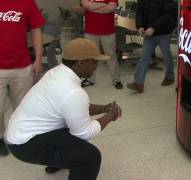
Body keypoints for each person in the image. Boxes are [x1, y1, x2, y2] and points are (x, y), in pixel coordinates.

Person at [5, 38, 122, 180]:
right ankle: (57, 157)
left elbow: (75, 108)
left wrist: (104, 108)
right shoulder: (73, 91)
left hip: (18, 133)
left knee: (70, 125)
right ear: (81, 62)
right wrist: (110, 115)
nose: (97, 66)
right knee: (90, 157)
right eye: (95, 61)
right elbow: (85, 133)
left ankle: (59, 160)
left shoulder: (57, 72)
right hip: (24, 144)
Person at [0, 0, 45, 155]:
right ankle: (0, 137)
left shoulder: (27, 2)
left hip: (21, 67)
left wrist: (38, 59)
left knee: (22, 107)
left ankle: (19, 137)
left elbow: (36, 30)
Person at [126, 0, 177, 93]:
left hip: (164, 32)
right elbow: (139, 12)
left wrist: (153, 27)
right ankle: (138, 83)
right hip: (149, 33)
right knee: (144, 56)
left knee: (166, 55)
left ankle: (170, 76)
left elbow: (168, 15)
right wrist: (140, 26)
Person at [80, 0, 123, 89]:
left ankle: (116, 80)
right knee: (90, 56)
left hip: (108, 31)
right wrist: (103, 5)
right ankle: (90, 79)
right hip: (90, 30)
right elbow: (85, 5)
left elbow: (110, 8)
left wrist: (93, 7)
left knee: (111, 55)